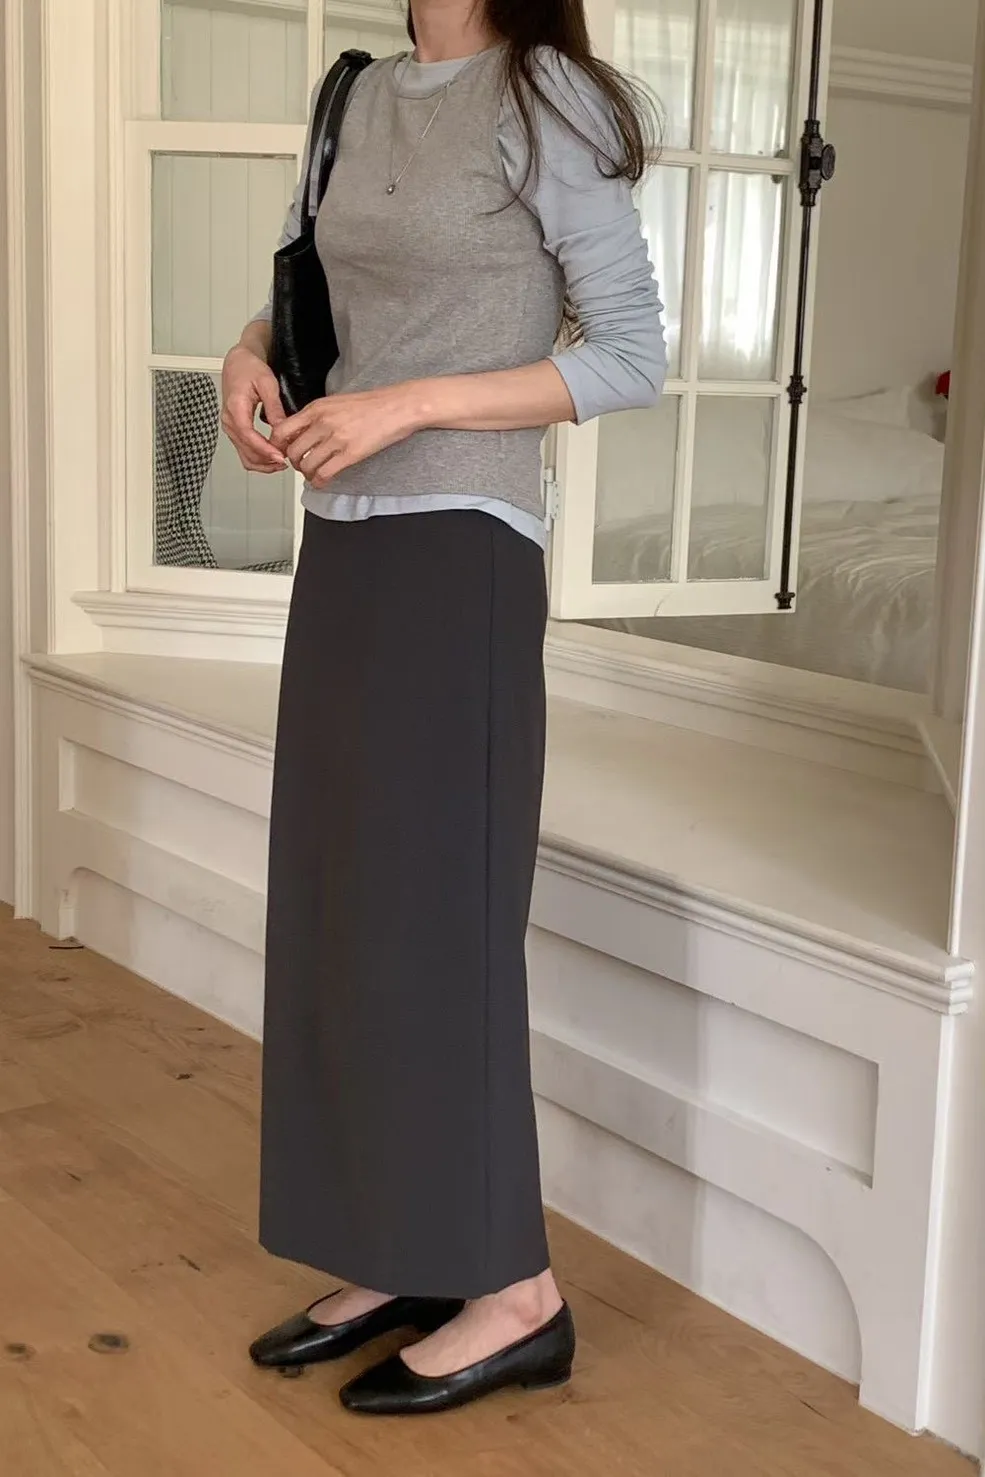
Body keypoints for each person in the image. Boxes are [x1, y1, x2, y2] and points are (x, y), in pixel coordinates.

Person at [220, 0, 665, 1418]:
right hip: (346, 541)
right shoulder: (355, 94)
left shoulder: (546, 97)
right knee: (343, 906)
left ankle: (517, 1295)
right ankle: (400, 1250)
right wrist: (248, 354)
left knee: (439, 919)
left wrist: (407, 408)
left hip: (463, 550)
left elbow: (631, 355)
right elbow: (315, 290)